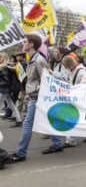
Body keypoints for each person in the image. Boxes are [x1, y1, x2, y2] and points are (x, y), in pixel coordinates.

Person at [6, 34, 48, 163]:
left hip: (37, 97)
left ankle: (21, 153)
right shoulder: (32, 59)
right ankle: (57, 143)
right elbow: (32, 80)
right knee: (48, 120)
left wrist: (34, 94)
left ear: (31, 44)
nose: (22, 44)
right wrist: (28, 93)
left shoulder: (39, 60)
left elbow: (45, 80)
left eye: (24, 42)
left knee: (27, 124)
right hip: (34, 95)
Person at [42, 55, 86, 154]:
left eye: (67, 66)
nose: (67, 68)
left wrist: (79, 87)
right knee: (73, 118)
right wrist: (52, 73)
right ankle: (72, 139)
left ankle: (75, 138)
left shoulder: (80, 71)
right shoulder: (72, 71)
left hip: (78, 97)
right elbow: (64, 77)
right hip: (74, 97)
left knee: (75, 118)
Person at [0, 52, 22, 127]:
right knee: (11, 105)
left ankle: (19, 120)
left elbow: (5, 79)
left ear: (4, 58)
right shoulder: (7, 66)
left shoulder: (5, 67)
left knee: (10, 105)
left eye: (0, 57)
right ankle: (19, 120)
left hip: (4, 89)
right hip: (5, 89)